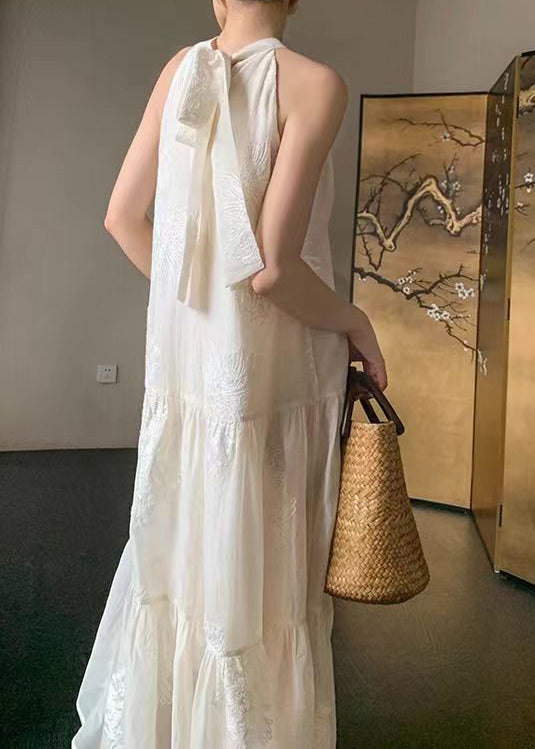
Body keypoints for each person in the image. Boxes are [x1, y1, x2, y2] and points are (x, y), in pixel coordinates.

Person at [72, 0, 387, 747]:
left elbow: (122, 218)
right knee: (265, 569)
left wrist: (200, 315)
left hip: (189, 373)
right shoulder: (315, 84)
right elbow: (274, 272)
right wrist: (356, 321)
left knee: (184, 548)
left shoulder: (177, 70)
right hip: (277, 375)